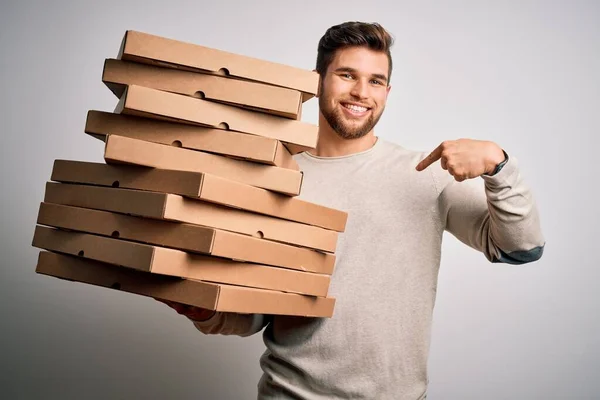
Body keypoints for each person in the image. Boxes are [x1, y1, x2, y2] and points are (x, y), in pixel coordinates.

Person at [157, 21, 545, 400]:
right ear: (318, 80)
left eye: (375, 80)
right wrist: (204, 312)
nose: (361, 92)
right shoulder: (275, 178)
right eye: (346, 75)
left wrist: (500, 166)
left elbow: (519, 248)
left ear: (387, 92)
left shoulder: (425, 176)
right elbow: (256, 314)